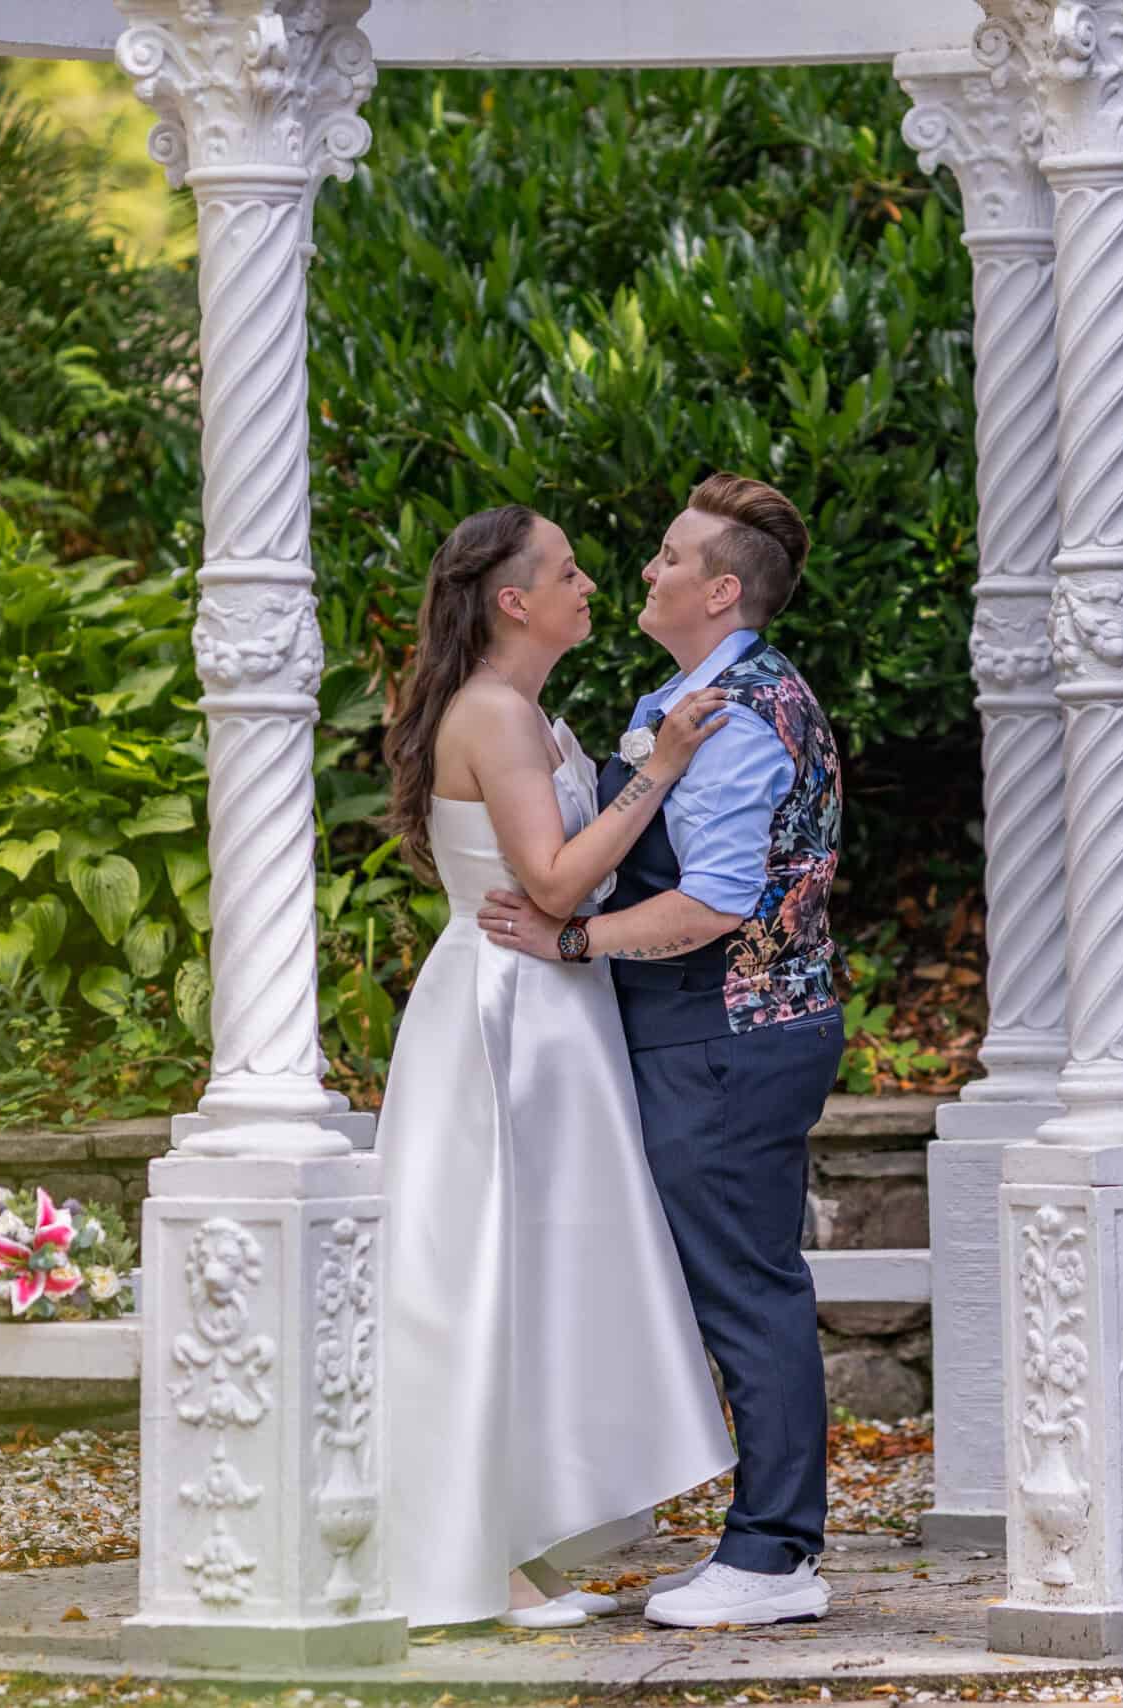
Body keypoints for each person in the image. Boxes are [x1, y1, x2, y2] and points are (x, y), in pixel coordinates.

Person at [478, 473, 847, 1629]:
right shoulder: (698, 700)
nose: (648, 568)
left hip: (730, 1031)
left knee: (748, 1289)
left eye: (671, 557)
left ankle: (775, 1554)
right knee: (725, 1284)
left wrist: (571, 936)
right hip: (715, 1031)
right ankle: (745, 1533)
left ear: (722, 588)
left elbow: (712, 906)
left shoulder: (738, 714)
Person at [377, 503, 735, 1629]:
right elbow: (550, 882)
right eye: (568, 572)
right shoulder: (492, 713)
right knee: (483, 1273)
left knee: (535, 1280)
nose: (592, 584)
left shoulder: (522, 711)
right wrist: (662, 768)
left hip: (551, 1008)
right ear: (512, 600)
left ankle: (513, 1534)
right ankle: (471, 1553)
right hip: (509, 1013)